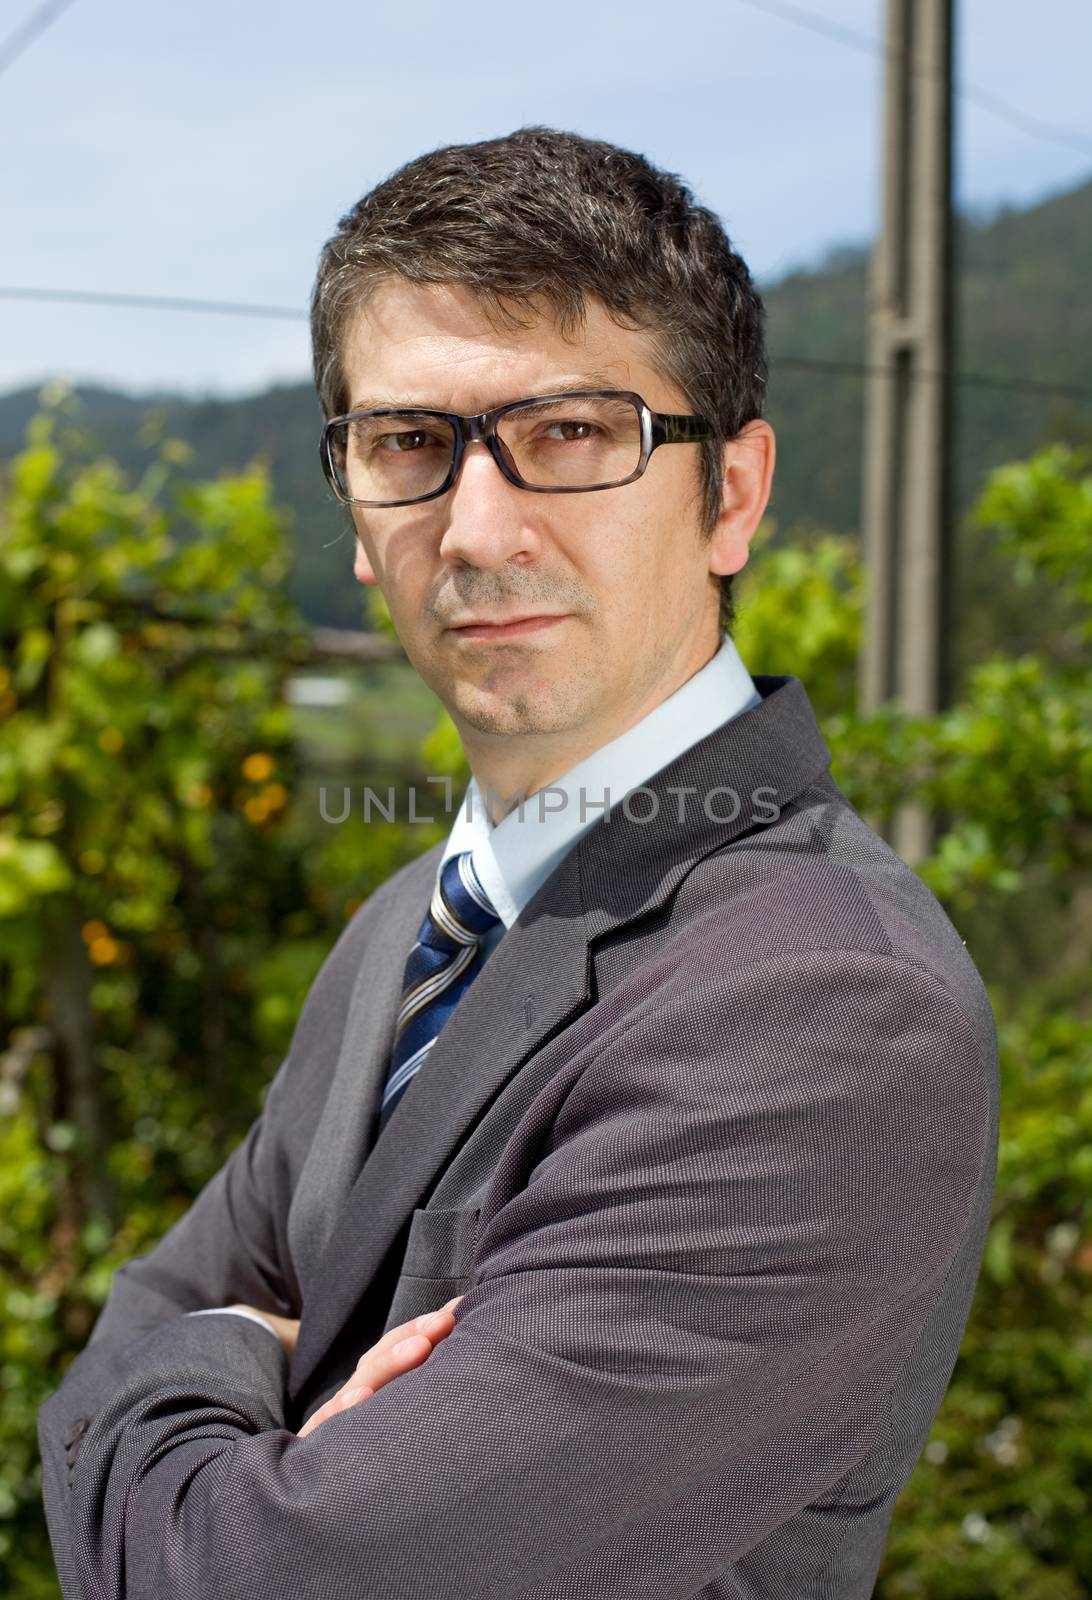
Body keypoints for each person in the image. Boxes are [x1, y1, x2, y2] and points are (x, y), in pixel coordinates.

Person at [37, 126, 1000, 1600]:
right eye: (409, 445)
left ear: (731, 494)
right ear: (357, 515)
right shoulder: (399, 934)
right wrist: (241, 1363)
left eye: (571, 432)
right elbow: (137, 1324)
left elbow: (253, 1574)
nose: (476, 531)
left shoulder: (822, 1006)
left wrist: (225, 1374)